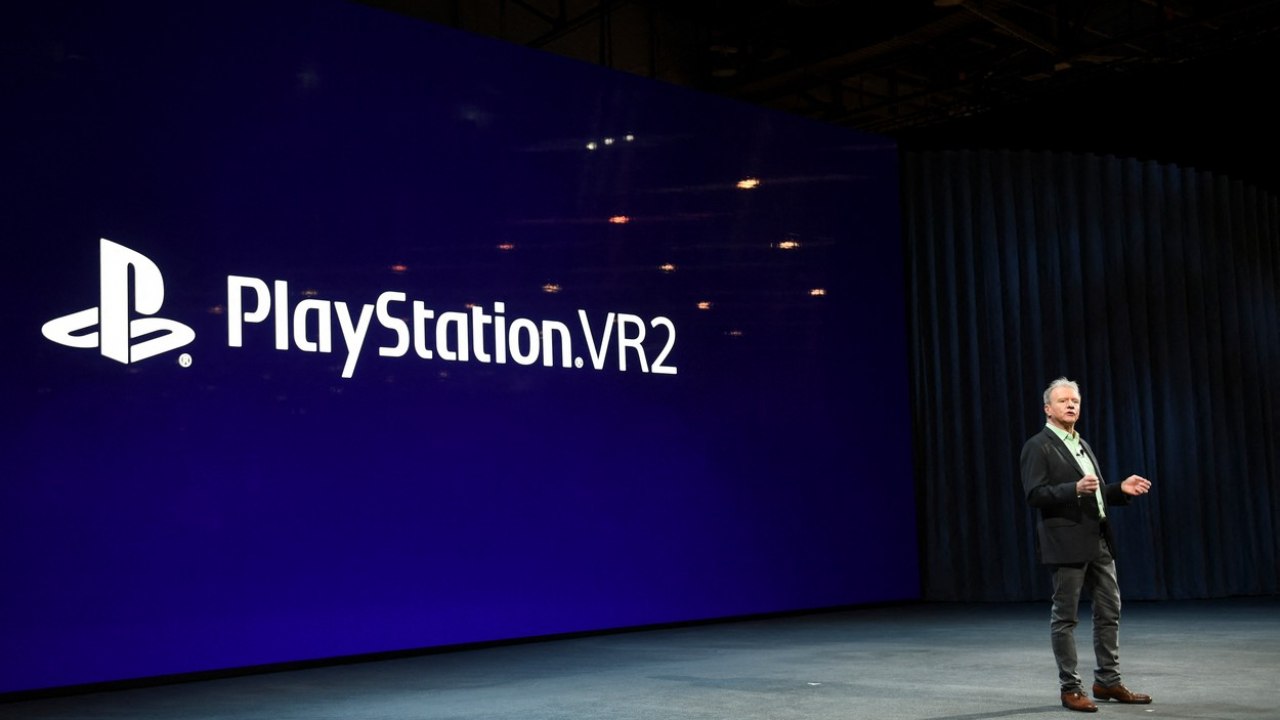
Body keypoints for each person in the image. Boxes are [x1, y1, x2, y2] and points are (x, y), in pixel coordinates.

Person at [1019, 377, 1154, 713]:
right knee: (1065, 618)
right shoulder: (1038, 446)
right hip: (1066, 543)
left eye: (1075, 401)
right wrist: (1073, 489)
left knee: (1109, 611)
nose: (1071, 405)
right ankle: (1070, 688)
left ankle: (1107, 680)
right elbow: (1035, 494)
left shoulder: (1081, 443)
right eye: (1063, 401)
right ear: (1047, 408)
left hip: (1099, 540)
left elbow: (1093, 493)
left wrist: (1118, 489)